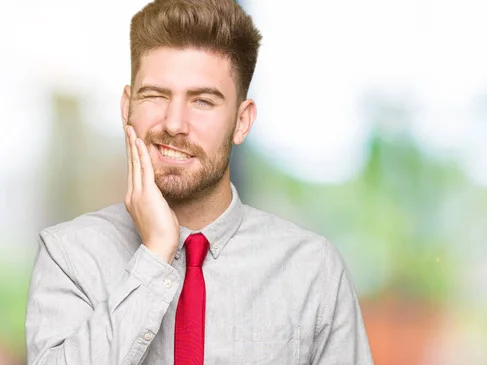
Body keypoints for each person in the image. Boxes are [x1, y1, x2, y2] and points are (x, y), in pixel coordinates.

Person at [25, 0, 374, 364]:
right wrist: (156, 253)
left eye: (203, 101)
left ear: (241, 122)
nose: (174, 123)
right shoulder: (68, 256)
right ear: (127, 106)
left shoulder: (311, 269)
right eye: (156, 95)